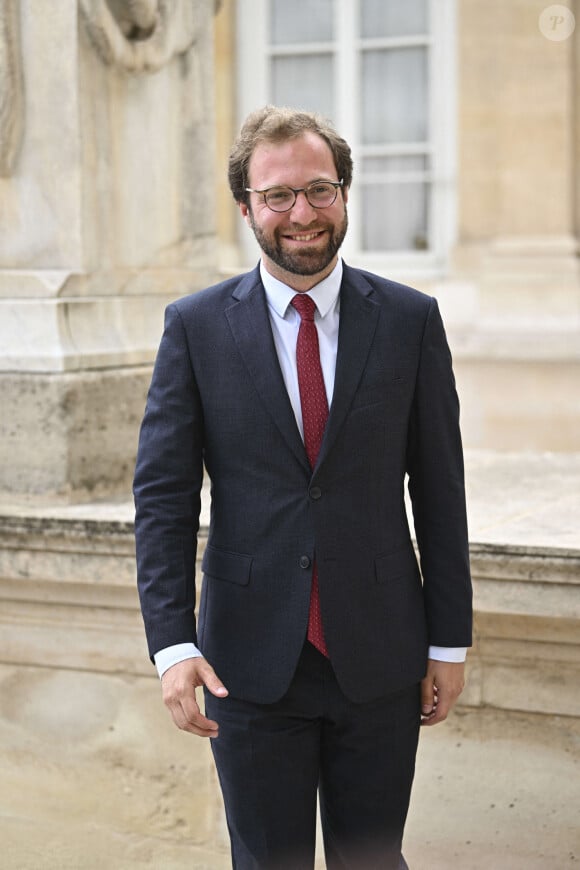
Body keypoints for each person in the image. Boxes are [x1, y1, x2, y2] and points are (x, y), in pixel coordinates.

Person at [133, 105, 472, 870]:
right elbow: (163, 497)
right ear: (248, 207)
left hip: (383, 655)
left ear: (345, 194)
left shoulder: (412, 320)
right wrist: (172, 643)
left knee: (373, 861)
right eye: (278, 195)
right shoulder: (196, 327)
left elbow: (441, 492)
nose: (301, 213)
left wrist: (449, 641)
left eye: (319, 189)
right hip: (246, 665)